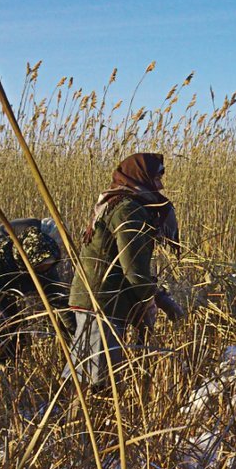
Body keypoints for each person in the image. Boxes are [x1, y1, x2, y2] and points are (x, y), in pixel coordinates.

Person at [66, 153, 184, 387]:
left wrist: (154, 297)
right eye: (156, 177)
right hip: (102, 303)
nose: (160, 184)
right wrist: (154, 299)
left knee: (88, 374)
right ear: (141, 177)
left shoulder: (121, 203)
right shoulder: (128, 209)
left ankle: (79, 419)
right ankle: (82, 422)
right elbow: (133, 268)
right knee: (95, 380)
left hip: (99, 300)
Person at [0, 218, 72, 356]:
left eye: (47, 267)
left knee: (15, 339)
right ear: (28, 263)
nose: (44, 270)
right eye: (40, 268)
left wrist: (73, 332)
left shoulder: (43, 260)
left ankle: (6, 368)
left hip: (6, 287)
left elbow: (58, 300)